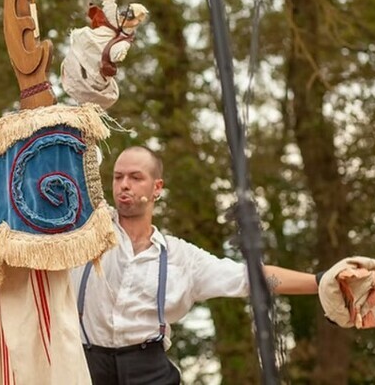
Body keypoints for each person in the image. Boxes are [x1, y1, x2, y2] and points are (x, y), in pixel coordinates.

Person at [71, 145, 322, 385]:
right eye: (118, 177)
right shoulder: (87, 232)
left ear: (157, 187)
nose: (124, 184)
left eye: (136, 177)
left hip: (149, 369)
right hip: (87, 367)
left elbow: (249, 278)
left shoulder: (181, 257)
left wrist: (320, 281)